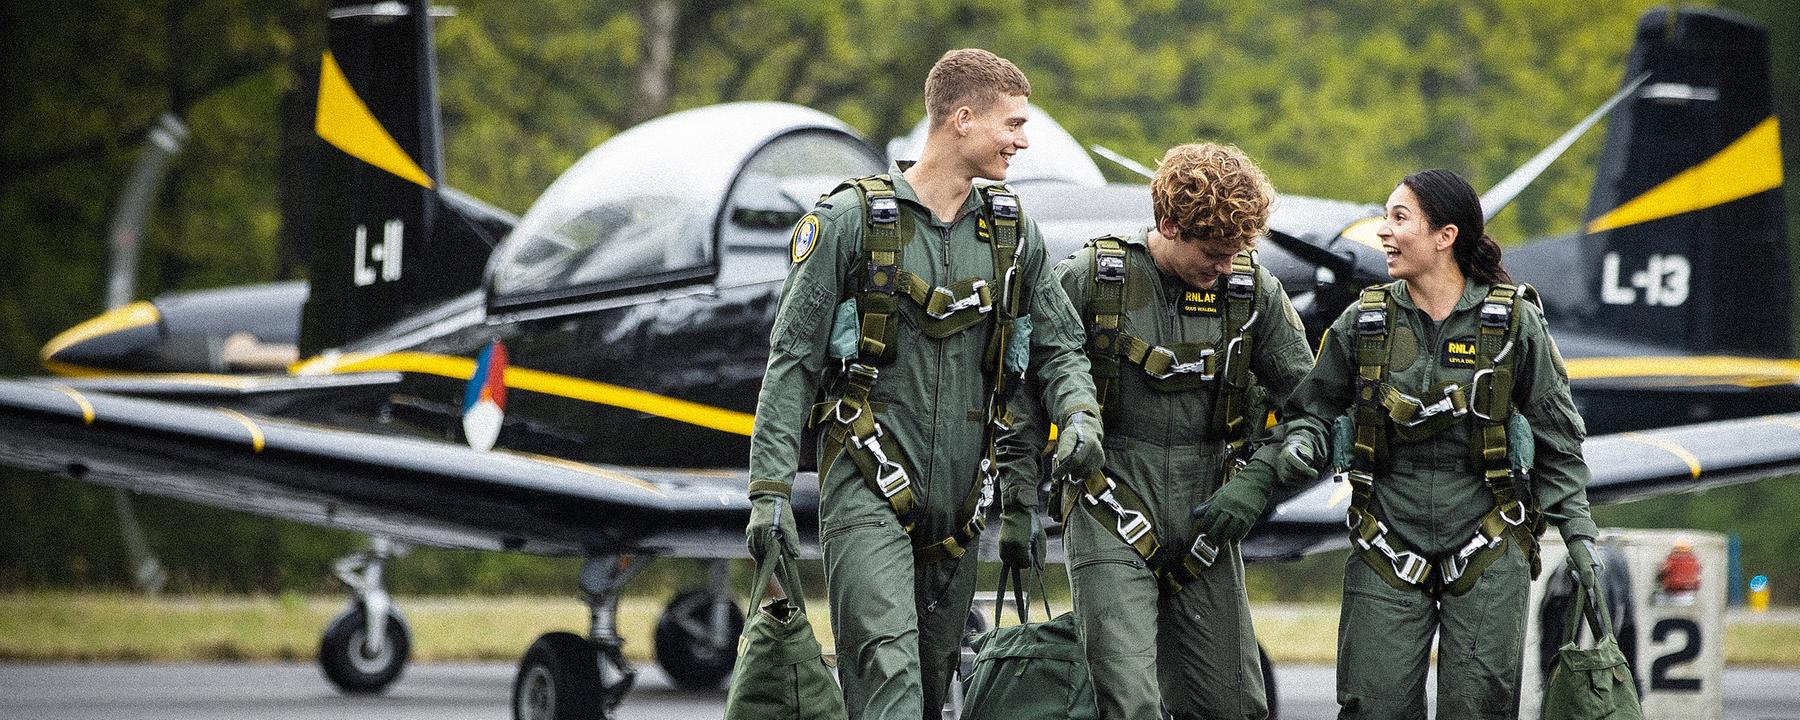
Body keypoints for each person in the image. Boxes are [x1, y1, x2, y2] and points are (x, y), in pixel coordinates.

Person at [743, 48, 1104, 720]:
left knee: (933, 688)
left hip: (961, 508)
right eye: (1013, 124)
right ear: (962, 119)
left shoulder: (1011, 231)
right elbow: (789, 363)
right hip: (865, 482)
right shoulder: (848, 222)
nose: (1023, 141)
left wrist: (1079, 415)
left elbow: (1059, 346)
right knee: (890, 674)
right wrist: (767, 494)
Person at [1241, 168, 1603, 718]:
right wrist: (1300, 447)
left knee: (1479, 707)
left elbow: (1558, 438)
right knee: (1372, 706)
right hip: (1385, 543)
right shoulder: (1363, 324)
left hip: (1490, 542)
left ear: (1445, 235)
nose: (1383, 231)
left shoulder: (1512, 326)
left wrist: (1578, 535)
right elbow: (1310, 411)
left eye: (1399, 218)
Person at [998, 143, 1315, 720]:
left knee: (1234, 705)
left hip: (1209, 513)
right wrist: (1018, 501)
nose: (1225, 267)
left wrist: (1261, 478)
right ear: (1168, 224)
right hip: (1108, 504)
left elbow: (1312, 408)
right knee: (1128, 700)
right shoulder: (1093, 280)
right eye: (1214, 252)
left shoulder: (1253, 295)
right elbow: (1024, 393)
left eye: (1238, 252)